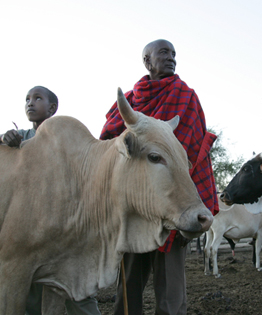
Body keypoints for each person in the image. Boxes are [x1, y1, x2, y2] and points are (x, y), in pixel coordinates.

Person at [100, 39, 219, 315]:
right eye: (164, 52)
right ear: (147, 61)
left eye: (174, 54)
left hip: (175, 206)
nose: (171, 58)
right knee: (128, 291)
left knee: (170, 295)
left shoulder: (186, 97)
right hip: (137, 209)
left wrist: (185, 206)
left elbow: (190, 154)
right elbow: (109, 145)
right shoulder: (129, 101)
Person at [0, 85, 101, 315]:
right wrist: (1, 137)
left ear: (52, 108)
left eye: (37, 98)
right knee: (31, 292)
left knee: (77, 289)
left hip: (65, 229)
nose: (30, 102)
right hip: (30, 229)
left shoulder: (67, 139)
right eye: (27, 99)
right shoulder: (22, 137)